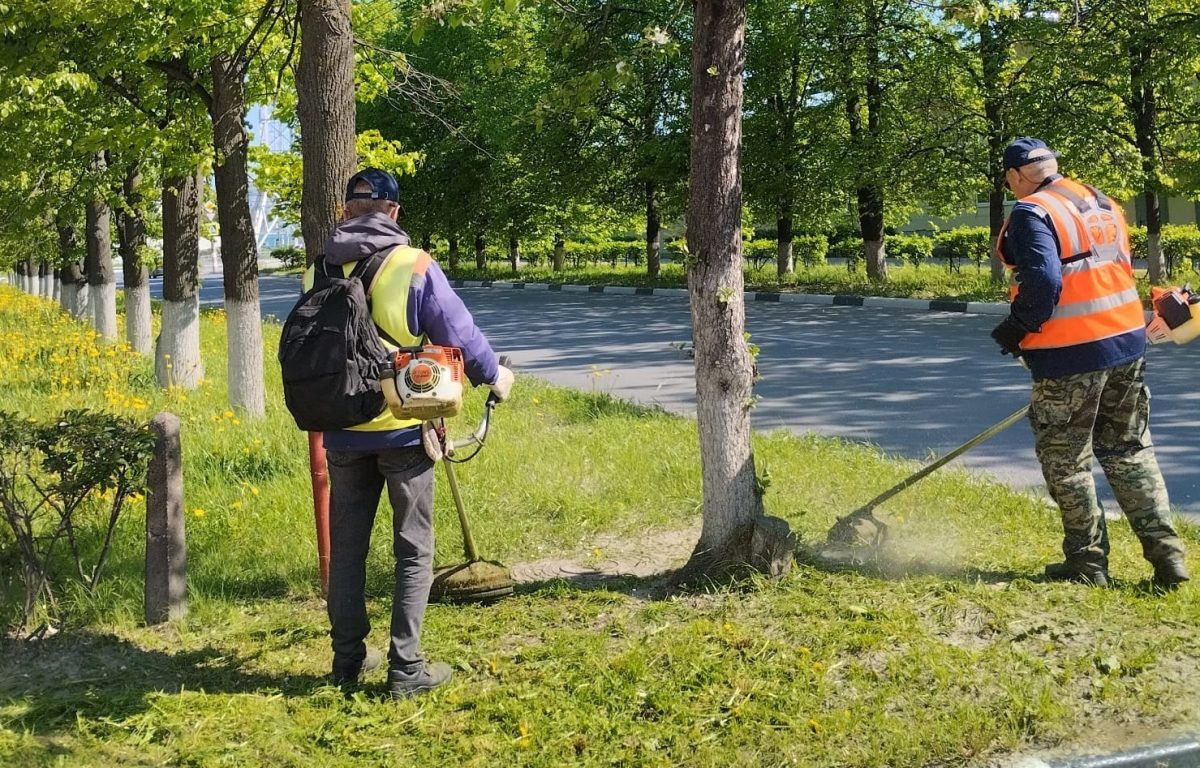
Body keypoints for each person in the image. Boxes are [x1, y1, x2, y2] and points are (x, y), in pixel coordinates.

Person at [307, 168, 514, 696]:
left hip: (343, 429)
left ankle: (347, 661)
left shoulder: (320, 267)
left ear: (346, 211)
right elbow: (458, 332)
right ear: (394, 212)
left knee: (347, 549)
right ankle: (406, 668)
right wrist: (495, 375)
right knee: (413, 548)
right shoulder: (414, 264)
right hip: (405, 428)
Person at [991, 137, 1188, 590]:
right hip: (1127, 344)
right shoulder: (1100, 201)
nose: (1010, 187)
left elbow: (1044, 281)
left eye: (1008, 180)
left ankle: (1087, 561)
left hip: (1070, 353)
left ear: (1017, 175)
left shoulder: (1032, 212)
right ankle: (1169, 559)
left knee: (1066, 460)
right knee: (1129, 450)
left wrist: (1016, 327)